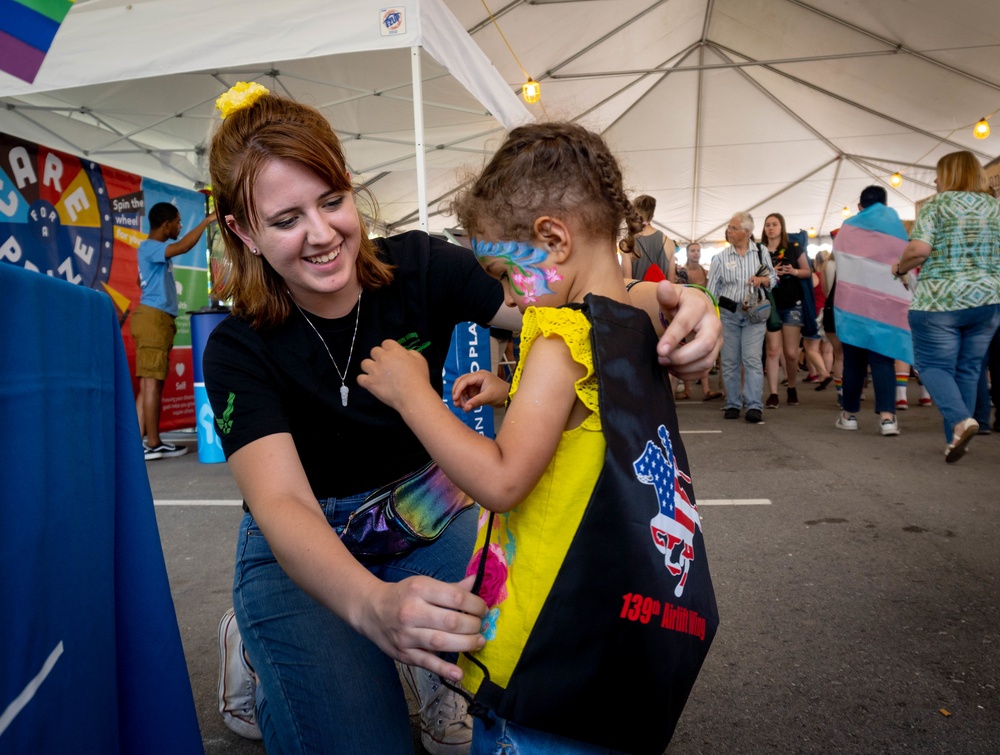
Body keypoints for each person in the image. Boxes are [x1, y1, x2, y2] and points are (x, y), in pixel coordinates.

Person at [202, 84, 722, 754]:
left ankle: (435, 665)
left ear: (350, 188)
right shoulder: (238, 347)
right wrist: (370, 606)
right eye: (286, 219)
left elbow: (575, 303)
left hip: (428, 510)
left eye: (332, 201)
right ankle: (259, 652)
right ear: (242, 230)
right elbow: (280, 501)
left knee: (521, 646)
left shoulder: (422, 266)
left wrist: (682, 302)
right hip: (305, 538)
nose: (323, 233)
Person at [359, 120, 713, 755]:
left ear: (552, 239)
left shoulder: (558, 339)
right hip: (607, 627)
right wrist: (511, 394)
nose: (502, 295)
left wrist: (412, 394)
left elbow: (501, 479)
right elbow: (586, 416)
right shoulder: (633, 319)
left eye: (502, 272)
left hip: (547, 630)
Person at [895, 150, 1000, 462]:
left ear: (952, 174)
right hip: (988, 301)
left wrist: (899, 268)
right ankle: (955, 439)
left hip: (941, 301)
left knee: (933, 366)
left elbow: (918, 250)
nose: (935, 180)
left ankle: (960, 421)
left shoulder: (938, 204)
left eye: (940, 173)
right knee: (968, 370)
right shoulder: (995, 207)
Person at [132, 201, 216, 460]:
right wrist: (206, 221)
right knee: (151, 384)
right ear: (166, 225)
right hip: (152, 318)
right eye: (178, 222)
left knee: (150, 384)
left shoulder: (151, 251)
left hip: (157, 318)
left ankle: (140, 445)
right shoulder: (150, 247)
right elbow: (183, 246)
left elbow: (139, 280)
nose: (180, 226)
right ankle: (153, 443)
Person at [831, 185, 911, 436]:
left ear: (859, 206)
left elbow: (839, 258)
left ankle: (850, 415)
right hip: (885, 305)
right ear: (885, 205)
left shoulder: (848, 227)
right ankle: (888, 419)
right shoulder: (896, 226)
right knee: (883, 357)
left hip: (854, 303)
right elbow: (906, 263)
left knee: (853, 360)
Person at [708, 211, 777, 423]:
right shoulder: (719, 258)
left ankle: (754, 405)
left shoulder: (761, 252)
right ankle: (733, 403)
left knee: (752, 360)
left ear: (747, 232)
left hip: (754, 314)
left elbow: (773, 278)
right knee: (729, 361)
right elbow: (711, 291)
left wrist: (762, 280)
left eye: (733, 228)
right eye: (729, 228)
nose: (729, 231)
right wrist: (711, 317)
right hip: (728, 314)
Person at [760, 213, 827, 408]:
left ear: (782, 227)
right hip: (770, 304)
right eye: (767, 225)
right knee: (772, 350)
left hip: (792, 304)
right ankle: (773, 393)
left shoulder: (793, 247)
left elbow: (807, 270)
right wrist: (772, 272)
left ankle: (791, 386)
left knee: (790, 353)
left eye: (774, 224)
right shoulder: (760, 250)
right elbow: (756, 273)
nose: (770, 228)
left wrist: (793, 271)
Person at [621, 194, 676, 283]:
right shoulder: (669, 242)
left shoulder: (628, 243)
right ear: (652, 216)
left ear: (634, 214)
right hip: (662, 296)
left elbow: (628, 281)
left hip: (638, 296)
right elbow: (672, 281)